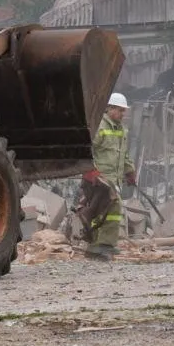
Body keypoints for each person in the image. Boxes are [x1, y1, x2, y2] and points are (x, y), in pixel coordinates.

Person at [76, 92, 137, 261]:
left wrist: (130, 171)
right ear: (109, 108)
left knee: (101, 212)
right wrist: (90, 171)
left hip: (113, 178)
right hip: (98, 178)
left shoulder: (122, 131)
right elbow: (87, 150)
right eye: (119, 110)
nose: (122, 114)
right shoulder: (99, 127)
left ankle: (97, 246)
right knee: (113, 207)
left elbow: (124, 155)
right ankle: (103, 244)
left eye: (124, 111)